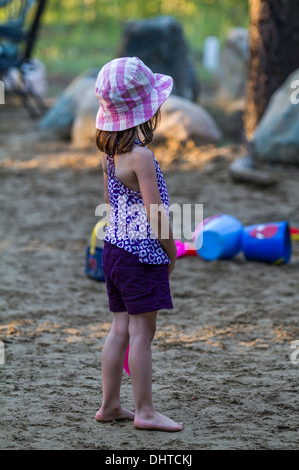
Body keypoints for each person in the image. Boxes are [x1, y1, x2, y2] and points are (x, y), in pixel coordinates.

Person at [94, 57, 183, 432]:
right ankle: (145, 411)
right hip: (140, 256)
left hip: (113, 250)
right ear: (146, 110)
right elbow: (155, 213)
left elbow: (111, 204)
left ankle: (110, 405)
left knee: (119, 330)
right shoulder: (142, 157)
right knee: (142, 334)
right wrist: (171, 249)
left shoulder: (110, 155)